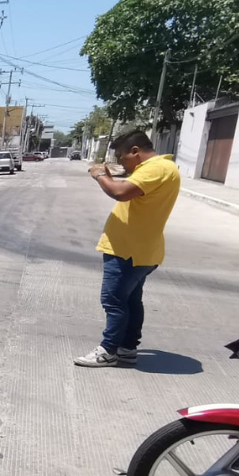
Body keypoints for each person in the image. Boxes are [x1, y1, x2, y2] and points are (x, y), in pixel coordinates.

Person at [74, 130, 180, 368]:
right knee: (131, 301)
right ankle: (128, 348)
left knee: (113, 301)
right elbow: (129, 187)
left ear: (135, 151)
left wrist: (100, 175)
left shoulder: (155, 169)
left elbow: (119, 192)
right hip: (141, 249)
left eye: (122, 157)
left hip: (128, 250)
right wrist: (112, 176)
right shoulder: (162, 169)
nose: (122, 162)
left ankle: (108, 350)